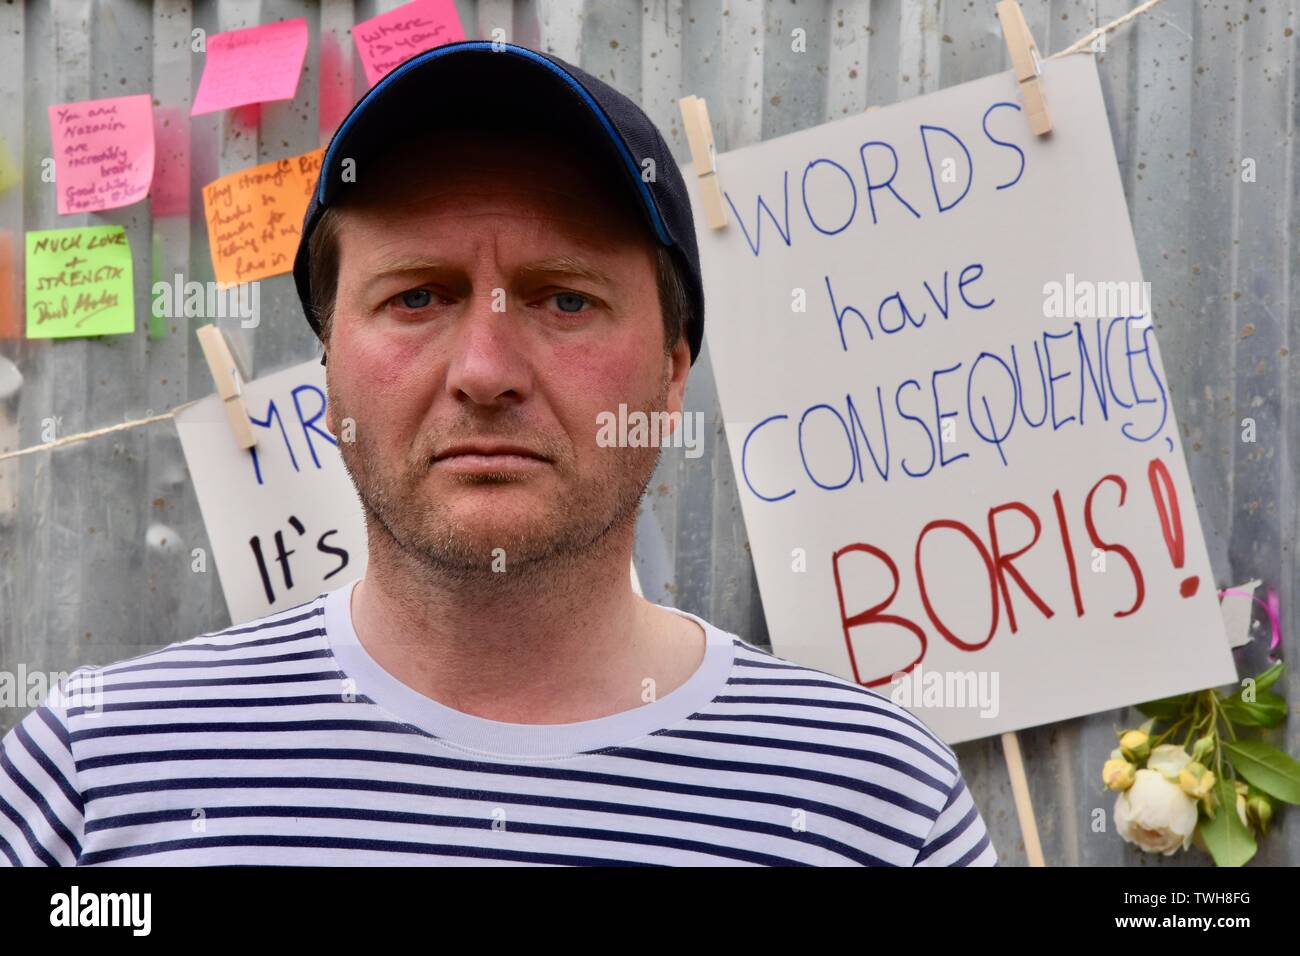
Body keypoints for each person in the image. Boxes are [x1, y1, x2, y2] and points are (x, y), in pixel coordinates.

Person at [0, 41, 996, 866]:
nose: (485, 369)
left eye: (567, 298)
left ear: (671, 372)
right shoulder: (95, 775)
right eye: (416, 296)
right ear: (330, 371)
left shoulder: (876, 803)